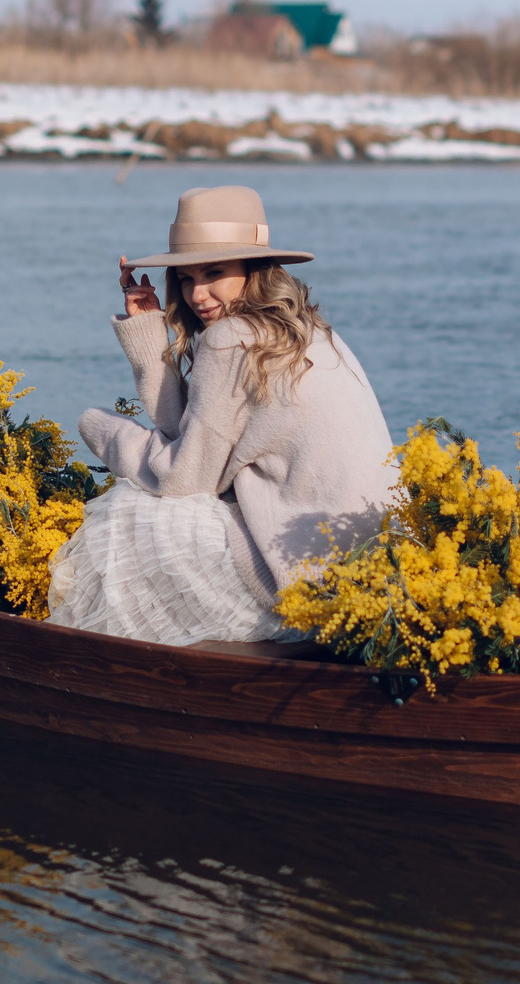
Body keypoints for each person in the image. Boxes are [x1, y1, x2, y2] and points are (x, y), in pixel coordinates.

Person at [48, 185, 396, 645]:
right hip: (377, 569)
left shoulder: (231, 336)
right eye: (187, 278)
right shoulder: (308, 330)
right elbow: (196, 440)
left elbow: (182, 478)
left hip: (304, 582)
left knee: (131, 514)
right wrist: (150, 332)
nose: (198, 293)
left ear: (253, 270)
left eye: (215, 272)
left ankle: (96, 674)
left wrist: (105, 432)